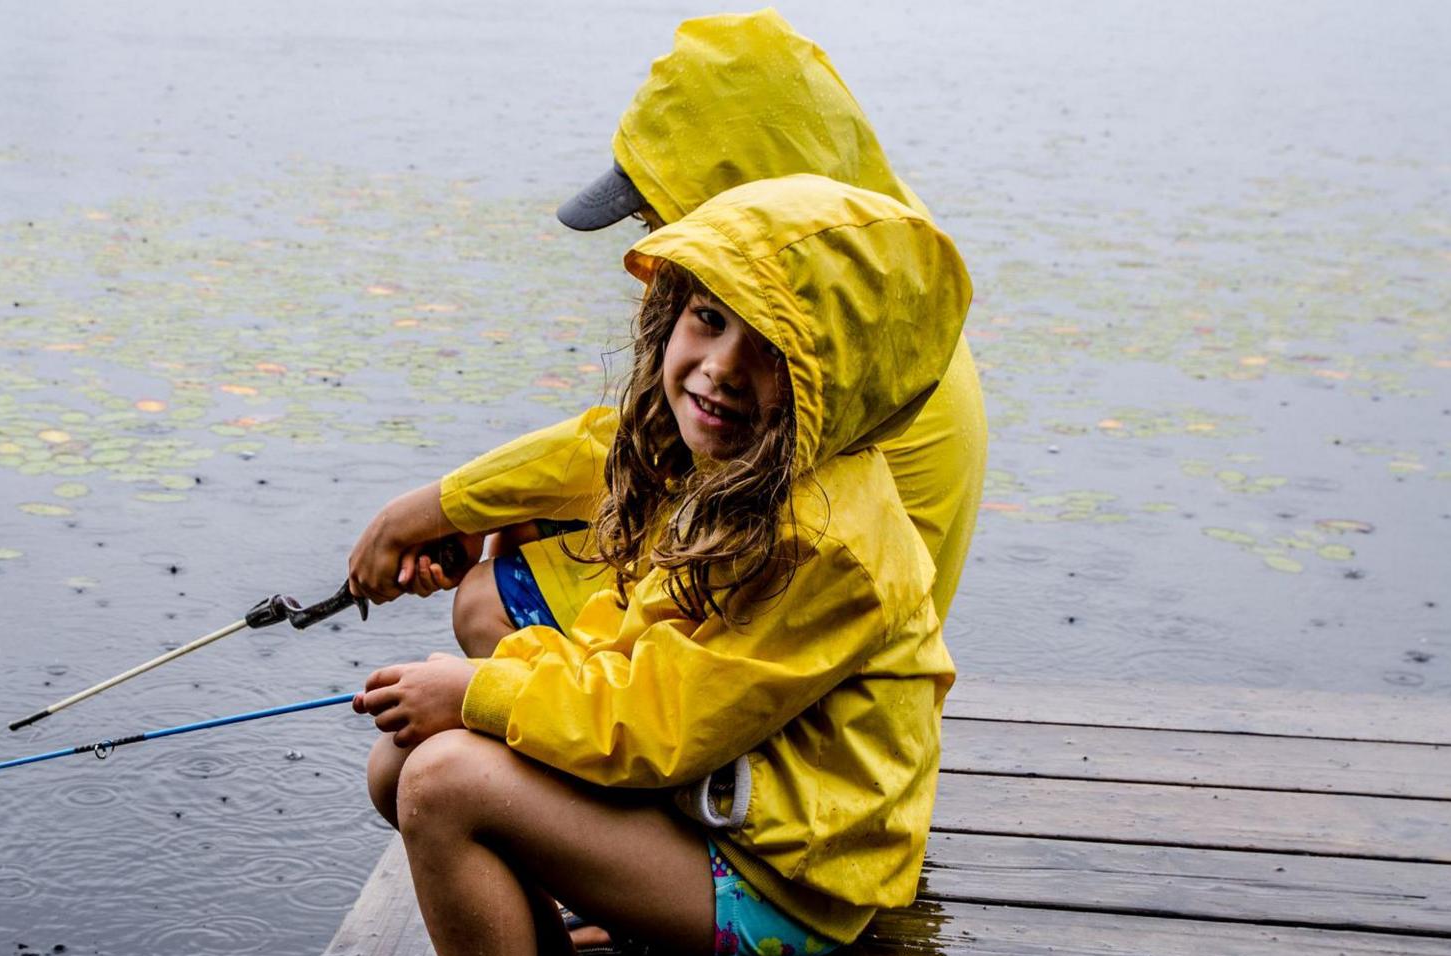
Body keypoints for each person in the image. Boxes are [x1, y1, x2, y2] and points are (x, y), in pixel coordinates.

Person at [314, 173, 971, 956]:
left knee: (445, 780)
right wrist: (477, 666)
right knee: (400, 765)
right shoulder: (733, 465)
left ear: (838, 378)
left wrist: (479, 687)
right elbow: (633, 643)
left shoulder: (819, 538)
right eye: (707, 318)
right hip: (715, 802)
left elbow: (655, 726)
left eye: (770, 347)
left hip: (789, 879)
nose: (718, 366)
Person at [348, 9, 988, 651]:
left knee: (489, 600)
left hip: (789, 628)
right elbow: (649, 454)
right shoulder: (870, 260)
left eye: (658, 217)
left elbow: (662, 465)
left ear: (740, 196)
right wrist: (473, 507)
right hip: (764, 548)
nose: (653, 248)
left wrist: (423, 512)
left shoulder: (814, 320)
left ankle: (523, 740)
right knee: (529, 524)